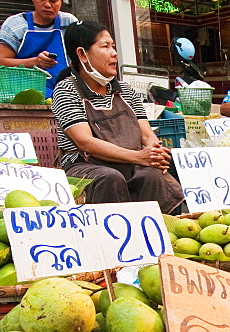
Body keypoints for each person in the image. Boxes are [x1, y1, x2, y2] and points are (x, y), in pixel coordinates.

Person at [50, 21, 184, 211]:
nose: (114, 53)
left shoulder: (126, 91)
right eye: (105, 46)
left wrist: (154, 153)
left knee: (154, 176)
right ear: (82, 54)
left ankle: (162, 233)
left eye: (113, 46)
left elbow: (146, 134)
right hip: (83, 166)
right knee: (110, 178)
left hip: (130, 162)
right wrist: (137, 157)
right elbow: (85, 142)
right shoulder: (66, 90)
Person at [0, 0, 78, 96]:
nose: (47, 5)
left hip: (64, 95)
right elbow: (1, 61)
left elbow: (81, 57)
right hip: (22, 97)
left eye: (53, 0)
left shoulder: (69, 22)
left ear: (61, 0)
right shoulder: (16, 24)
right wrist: (35, 62)